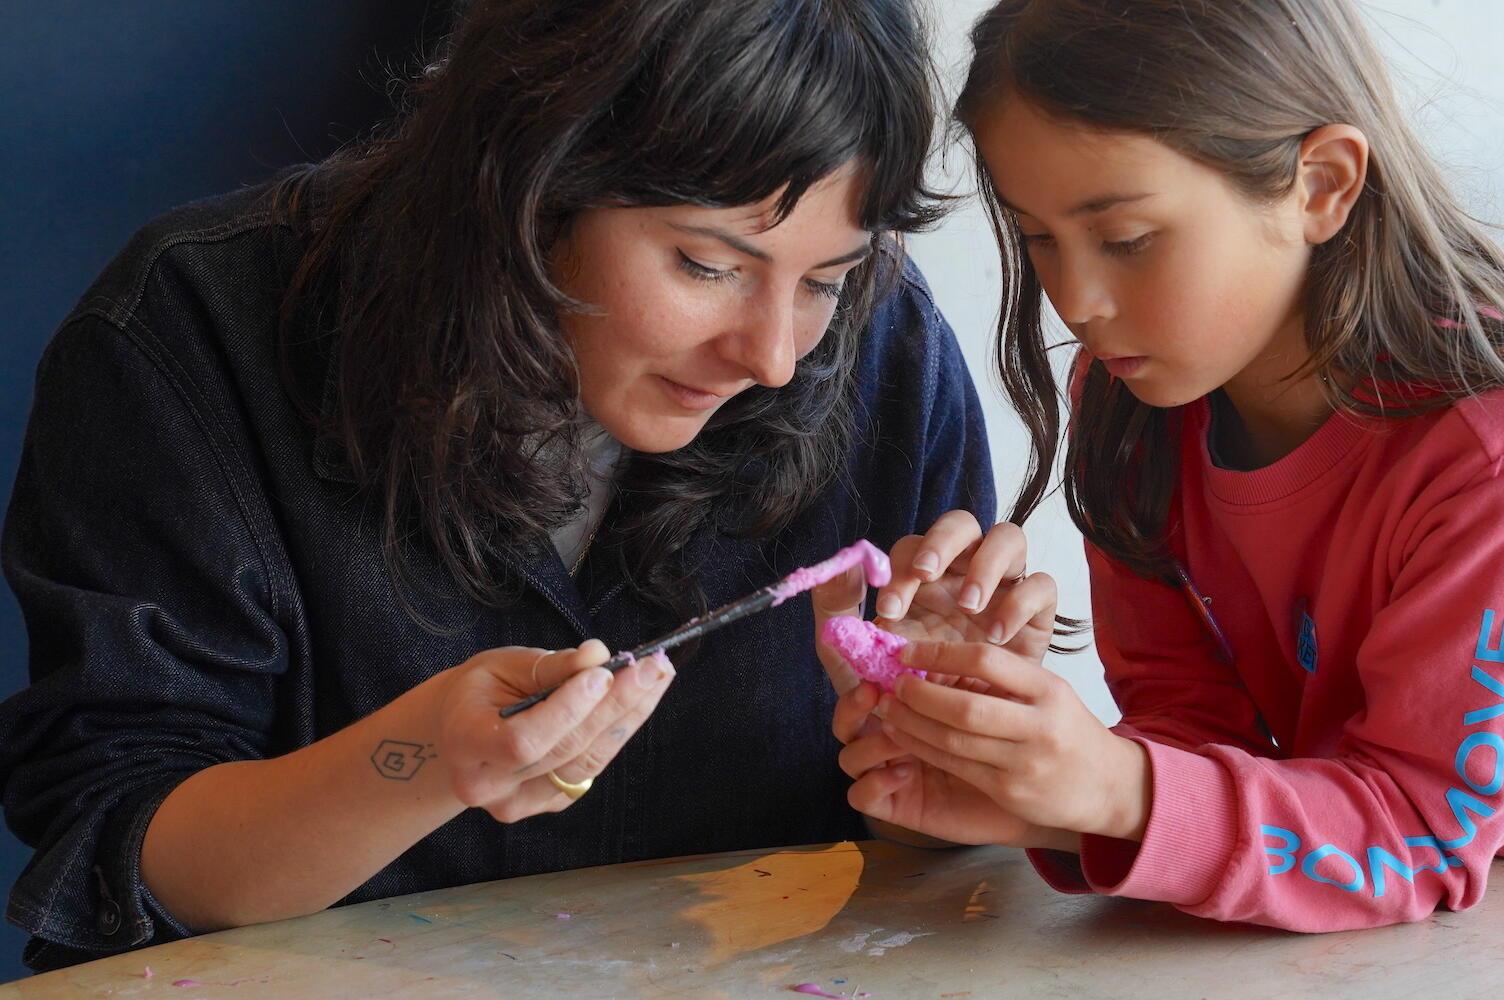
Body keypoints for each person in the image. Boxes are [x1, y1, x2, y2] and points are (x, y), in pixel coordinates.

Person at [0, 0, 994, 971]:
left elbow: (920, 871)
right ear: (532, 182)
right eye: (705, 264)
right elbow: (132, 845)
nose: (773, 354)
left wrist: (954, 737)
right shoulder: (192, 336)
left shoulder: (885, 355)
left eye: (824, 280)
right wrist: (425, 761)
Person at [831, 0, 1504, 933]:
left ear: (1320, 185)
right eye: (1040, 239)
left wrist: (1113, 789)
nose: (1078, 298)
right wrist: (1018, 778)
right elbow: (1195, 737)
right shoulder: (1133, 405)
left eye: (1126, 238)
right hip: (1425, 932)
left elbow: (1415, 834)